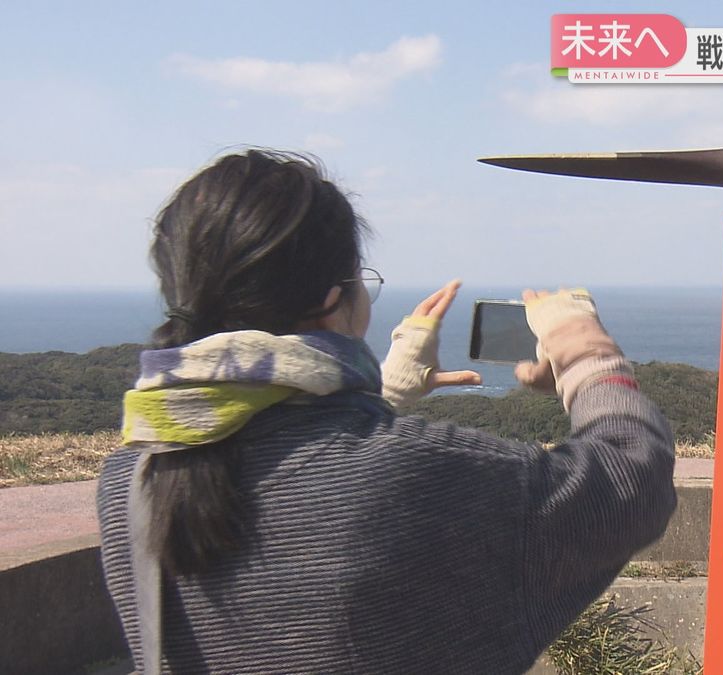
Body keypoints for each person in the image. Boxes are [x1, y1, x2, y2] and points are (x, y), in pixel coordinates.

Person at [96, 149, 677, 673]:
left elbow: (291, 490)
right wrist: (585, 349)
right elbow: (631, 482)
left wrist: (382, 395)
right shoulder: (417, 474)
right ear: (332, 298)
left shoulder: (131, 479)